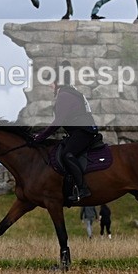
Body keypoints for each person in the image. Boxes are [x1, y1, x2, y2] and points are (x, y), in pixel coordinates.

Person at [32, 61, 98, 202]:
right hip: (79, 131)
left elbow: (58, 121)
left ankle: (82, 188)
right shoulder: (69, 92)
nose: (50, 86)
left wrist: (40, 137)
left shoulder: (64, 95)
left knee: (67, 155)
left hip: (83, 131)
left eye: (51, 82)